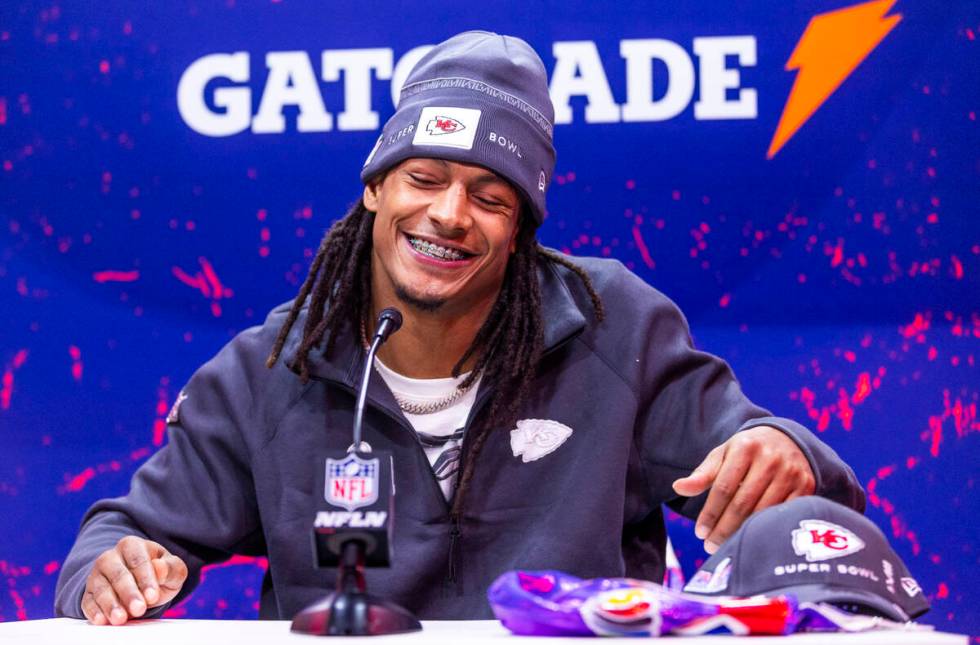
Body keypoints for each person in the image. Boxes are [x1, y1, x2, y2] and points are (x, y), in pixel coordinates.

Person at [55, 31, 864, 625]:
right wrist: (113, 568)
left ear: (521, 225)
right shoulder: (272, 367)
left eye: (489, 194)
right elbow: (123, 533)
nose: (448, 214)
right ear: (375, 188)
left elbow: (802, 490)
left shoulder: (612, 326)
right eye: (425, 177)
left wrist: (787, 456)